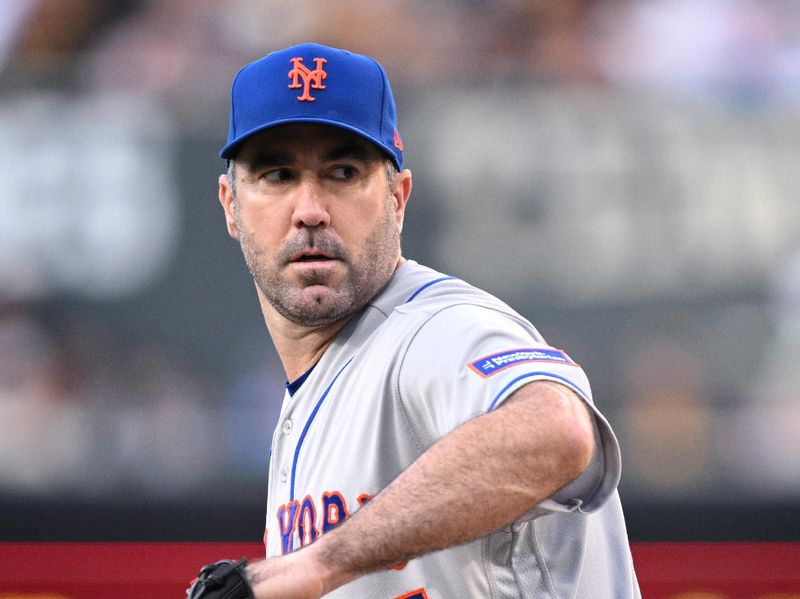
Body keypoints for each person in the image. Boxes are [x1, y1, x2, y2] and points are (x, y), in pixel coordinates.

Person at [189, 42, 640, 598]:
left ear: (398, 198)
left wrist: (315, 564)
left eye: (344, 171)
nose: (309, 208)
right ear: (230, 205)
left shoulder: (431, 329)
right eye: (278, 175)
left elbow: (557, 429)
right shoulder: (312, 389)